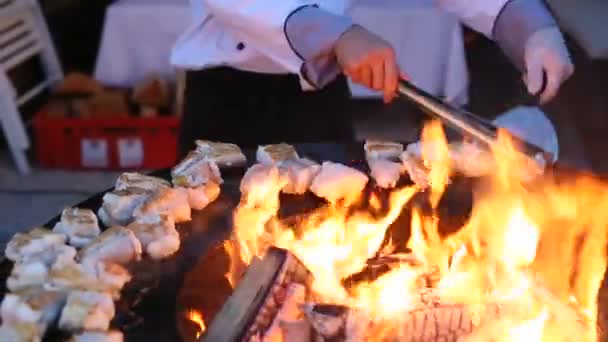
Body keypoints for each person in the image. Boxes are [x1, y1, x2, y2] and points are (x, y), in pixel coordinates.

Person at [171, 0, 573, 156]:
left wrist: (527, 22)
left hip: (319, 94)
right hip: (226, 99)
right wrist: (333, 34)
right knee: (212, 241)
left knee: (323, 239)